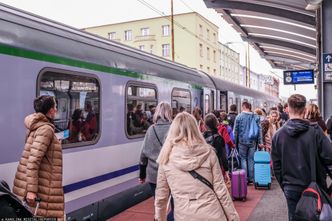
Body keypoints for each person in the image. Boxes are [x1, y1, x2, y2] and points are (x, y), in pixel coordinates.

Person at [154, 112, 239, 221]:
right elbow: (221, 191)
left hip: (184, 216)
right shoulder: (209, 153)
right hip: (213, 214)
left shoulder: (165, 159)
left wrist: (160, 218)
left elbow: (161, 198)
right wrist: (233, 218)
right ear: (196, 129)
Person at [271, 94, 332, 221]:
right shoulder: (316, 132)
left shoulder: (278, 135)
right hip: (315, 187)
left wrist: (285, 186)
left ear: (288, 110)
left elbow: (276, 166)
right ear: (305, 111)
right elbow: (329, 159)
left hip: (290, 187)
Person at [13, 95, 64, 220]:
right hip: (42, 188)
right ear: (50, 110)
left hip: (40, 183)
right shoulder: (46, 129)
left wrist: (55, 144)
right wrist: (31, 191)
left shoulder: (37, 126)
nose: (56, 110)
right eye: (55, 107)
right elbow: (33, 161)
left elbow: (35, 151)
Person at [139, 101, 173, 195]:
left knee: (158, 204)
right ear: (169, 113)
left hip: (154, 175)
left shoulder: (151, 129)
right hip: (172, 173)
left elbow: (143, 155)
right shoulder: (174, 128)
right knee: (175, 204)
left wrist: (142, 175)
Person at [233, 101, 263, 184]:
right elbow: (260, 130)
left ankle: (244, 179)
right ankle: (251, 178)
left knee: (243, 159)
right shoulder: (256, 116)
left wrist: (234, 143)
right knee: (251, 159)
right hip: (252, 141)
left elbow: (235, 131)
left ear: (243, 107)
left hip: (242, 142)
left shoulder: (239, 117)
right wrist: (260, 142)